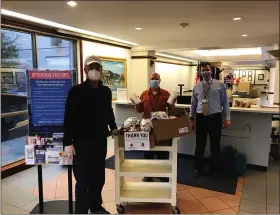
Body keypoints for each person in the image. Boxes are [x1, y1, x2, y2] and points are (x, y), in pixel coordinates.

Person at [63, 55, 117, 214]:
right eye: (91, 67)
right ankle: (80, 210)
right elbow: (68, 117)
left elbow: (108, 111)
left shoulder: (106, 91)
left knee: (98, 178)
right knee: (83, 180)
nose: (94, 70)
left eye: (97, 67)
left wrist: (113, 127)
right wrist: (67, 142)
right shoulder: (76, 91)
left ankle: (95, 206)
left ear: (101, 70)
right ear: (85, 70)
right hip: (81, 143)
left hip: (100, 141)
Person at [189, 62, 231, 177]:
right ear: (200, 72)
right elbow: (193, 104)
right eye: (202, 70)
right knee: (200, 145)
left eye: (207, 70)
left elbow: (225, 102)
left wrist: (227, 118)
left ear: (211, 71)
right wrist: (191, 118)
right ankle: (198, 168)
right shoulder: (197, 86)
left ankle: (215, 169)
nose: (205, 72)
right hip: (201, 118)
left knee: (215, 145)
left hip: (215, 117)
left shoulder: (219, 84)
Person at [135, 72, 173, 182]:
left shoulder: (166, 94)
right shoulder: (144, 94)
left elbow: (170, 109)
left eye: (156, 79)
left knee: (163, 152)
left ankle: (163, 175)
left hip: (162, 126)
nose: (154, 80)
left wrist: (172, 104)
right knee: (148, 151)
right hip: (147, 127)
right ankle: (148, 175)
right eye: (152, 79)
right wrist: (137, 106)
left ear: (160, 80)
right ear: (149, 80)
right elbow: (140, 110)